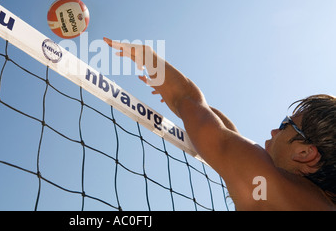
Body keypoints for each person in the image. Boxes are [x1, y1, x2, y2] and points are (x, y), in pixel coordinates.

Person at [104, 37, 335, 211]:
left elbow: (187, 100)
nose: (274, 130)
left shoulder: (266, 184)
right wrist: (196, 109)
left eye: (286, 124)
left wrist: (148, 58)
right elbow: (231, 137)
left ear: (305, 152)